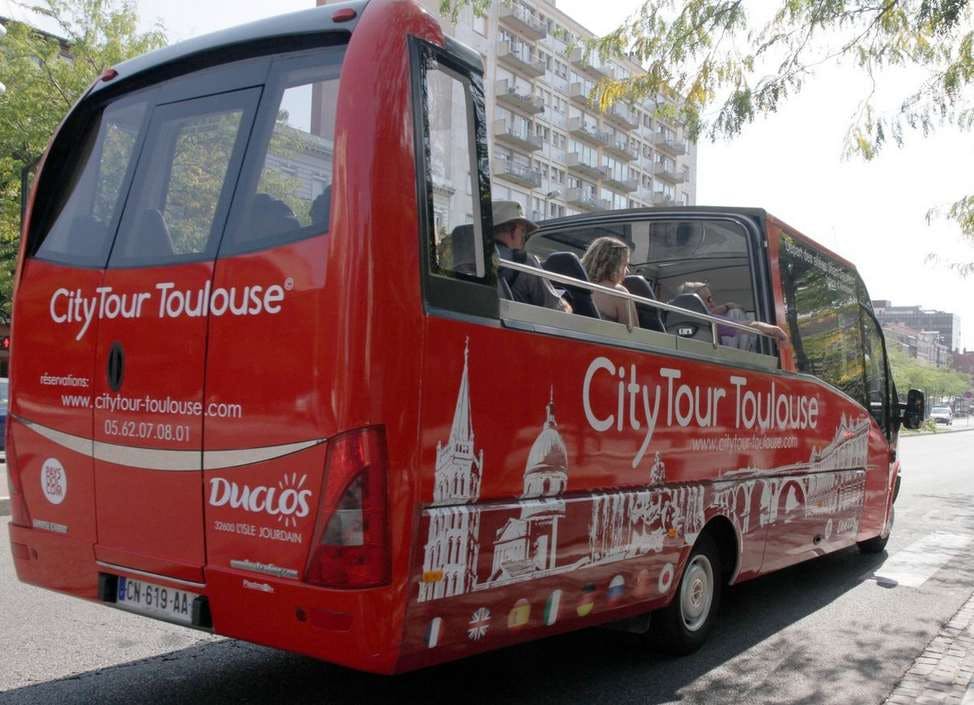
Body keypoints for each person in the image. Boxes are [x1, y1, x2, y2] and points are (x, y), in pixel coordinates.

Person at [492, 201, 571, 313]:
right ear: (514, 231)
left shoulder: (473, 260)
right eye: (523, 231)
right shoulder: (524, 262)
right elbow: (558, 310)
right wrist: (565, 304)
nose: (524, 238)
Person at [679, 281, 790, 345]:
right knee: (736, 313)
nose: (712, 303)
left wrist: (726, 306)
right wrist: (776, 330)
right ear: (695, 302)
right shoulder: (709, 322)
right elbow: (748, 325)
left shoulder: (671, 319)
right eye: (708, 299)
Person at [581, 236, 636, 324]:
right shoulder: (619, 292)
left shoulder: (574, 284)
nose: (627, 271)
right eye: (625, 265)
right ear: (614, 265)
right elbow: (634, 331)